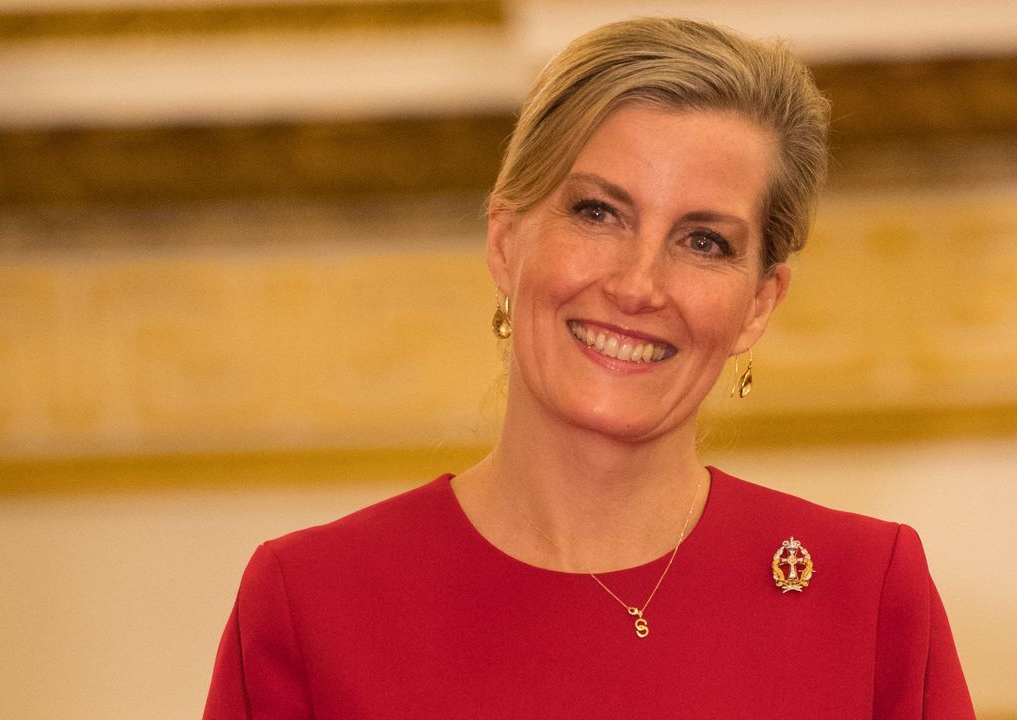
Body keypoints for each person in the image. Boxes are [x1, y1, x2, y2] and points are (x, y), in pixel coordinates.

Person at [204, 17, 975, 719]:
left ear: (759, 303)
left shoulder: (867, 596)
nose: (638, 286)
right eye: (597, 212)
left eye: (703, 241)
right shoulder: (310, 604)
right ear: (506, 239)